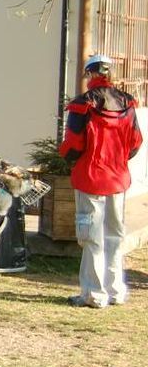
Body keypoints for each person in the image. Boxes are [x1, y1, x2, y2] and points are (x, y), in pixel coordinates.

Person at [59, 53, 143, 308]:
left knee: (91, 236)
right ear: (110, 74)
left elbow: (73, 144)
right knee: (115, 235)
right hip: (118, 178)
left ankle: (93, 293)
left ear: (88, 74)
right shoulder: (127, 103)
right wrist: (118, 161)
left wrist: (68, 158)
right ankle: (115, 290)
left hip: (90, 177)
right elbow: (135, 143)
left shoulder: (82, 105)